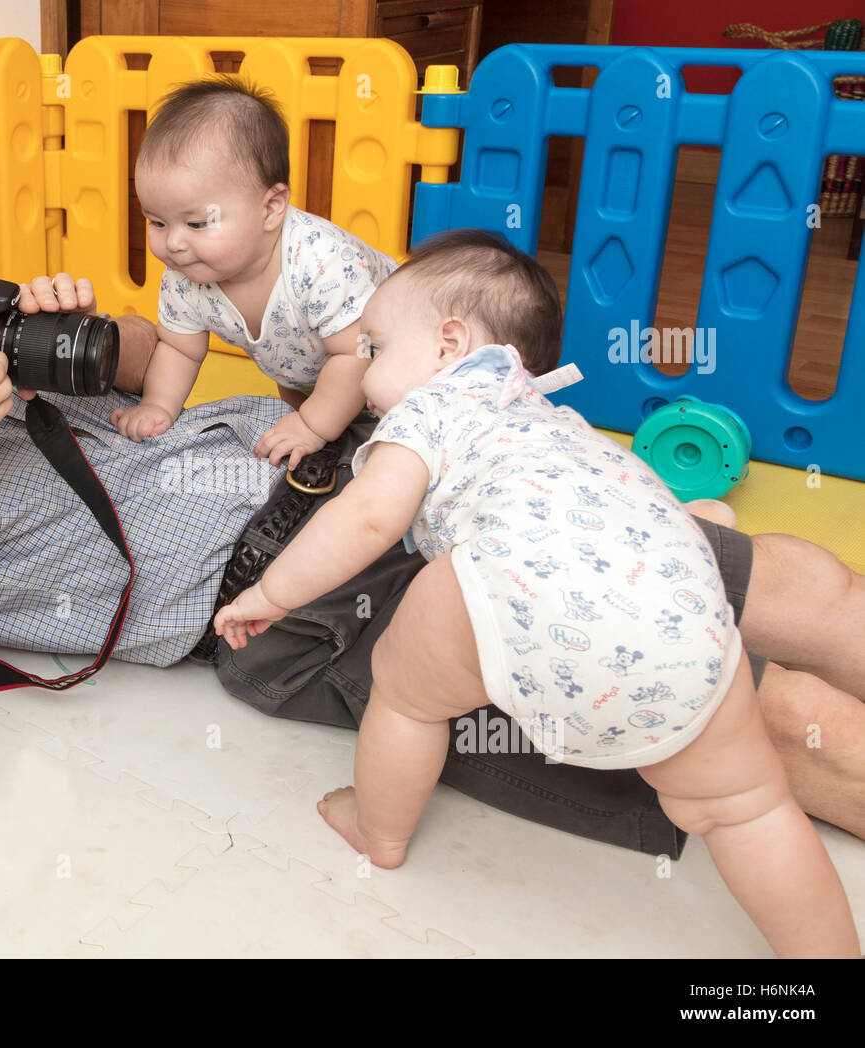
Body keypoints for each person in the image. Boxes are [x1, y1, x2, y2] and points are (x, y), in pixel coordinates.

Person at [0, 197, 865, 864]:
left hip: (355, 453)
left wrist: (74, 322)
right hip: (289, 595)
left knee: (798, 579)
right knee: (736, 712)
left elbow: (145, 361)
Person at [214, 230, 859, 957]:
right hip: (684, 612)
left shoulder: (430, 409)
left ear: (448, 343)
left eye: (374, 347)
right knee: (750, 808)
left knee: (406, 688)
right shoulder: (545, 410)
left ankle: (378, 826)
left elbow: (367, 517)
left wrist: (272, 591)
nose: (361, 371)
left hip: (531, 600)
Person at [110, 76, 395, 470]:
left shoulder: (322, 263)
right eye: (157, 222)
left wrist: (312, 424)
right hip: (308, 373)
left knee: (391, 439)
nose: (172, 243)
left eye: (195, 224)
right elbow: (179, 348)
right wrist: (158, 405)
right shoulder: (186, 275)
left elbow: (357, 354)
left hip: (398, 361)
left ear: (271, 207)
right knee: (305, 443)